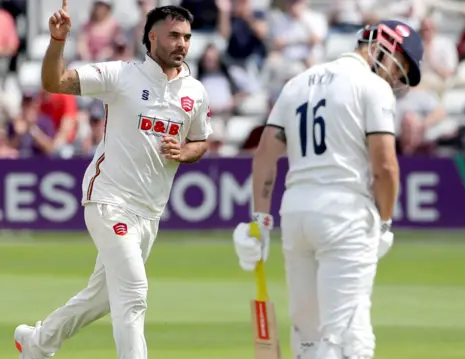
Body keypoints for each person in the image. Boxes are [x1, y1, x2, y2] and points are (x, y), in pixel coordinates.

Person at [13, 3, 211, 359]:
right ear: (152, 37)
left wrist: (184, 151)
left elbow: (201, 140)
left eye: (186, 37)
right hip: (109, 201)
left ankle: (37, 342)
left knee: (102, 297)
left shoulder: (194, 91)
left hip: (149, 214)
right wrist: (58, 40)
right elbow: (53, 82)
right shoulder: (122, 75)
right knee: (134, 291)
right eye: (174, 36)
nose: (182, 44)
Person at [232, 20, 424, 359]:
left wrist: (260, 222)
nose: (395, 78)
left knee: (307, 337)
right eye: (400, 65)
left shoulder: (298, 83)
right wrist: (385, 222)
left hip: (296, 214)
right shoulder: (371, 87)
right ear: (382, 45)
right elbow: (385, 168)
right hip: (345, 213)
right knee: (348, 338)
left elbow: (264, 154)